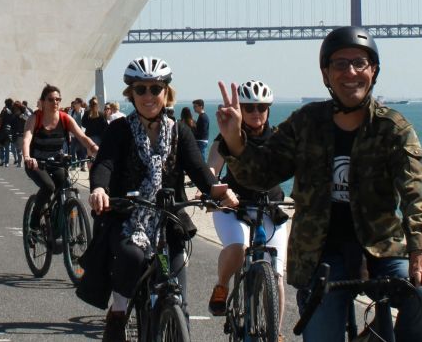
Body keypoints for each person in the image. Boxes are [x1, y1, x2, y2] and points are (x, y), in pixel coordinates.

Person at [216, 27, 422, 342]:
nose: (351, 72)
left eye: (360, 63)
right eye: (340, 64)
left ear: (373, 71)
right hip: (320, 254)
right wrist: (234, 141)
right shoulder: (306, 123)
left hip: (381, 248)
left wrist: (420, 251)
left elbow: (417, 195)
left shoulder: (393, 129)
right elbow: (262, 174)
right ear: (326, 73)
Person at [84, 57, 236, 341]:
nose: (148, 96)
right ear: (131, 94)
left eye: (155, 88)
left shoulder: (180, 131)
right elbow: (105, 163)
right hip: (128, 217)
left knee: (177, 291)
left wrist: (220, 192)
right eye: (140, 89)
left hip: (169, 219)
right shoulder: (119, 130)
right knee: (131, 256)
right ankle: (118, 311)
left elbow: (199, 170)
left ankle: (174, 321)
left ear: (166, 92)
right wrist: (100, 189)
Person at [206, 80, 289, 342]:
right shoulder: (227, 137)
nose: (256, 112)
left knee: (276, 274)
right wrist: (213, 189)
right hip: (234, 207)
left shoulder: (278, 138)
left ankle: (275, 332)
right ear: (240, 109)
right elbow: (211, 169)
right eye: (249, 107)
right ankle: (222, 286)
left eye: (261, 107)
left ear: (268, 109)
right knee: (238, 248)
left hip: (271, 208)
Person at [21, 85, 99, 228]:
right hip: (36, 163)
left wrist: (95, 149)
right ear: (43, 102)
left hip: (57, 163)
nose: (55, 102)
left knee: (66, 187)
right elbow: (27, 139)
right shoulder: (35, 118)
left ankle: (60, 222)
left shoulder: (65, 118)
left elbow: (82, 137)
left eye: (58, 99)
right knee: (49, 186)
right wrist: (27, 157)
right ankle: (35, 218)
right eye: (51, 99)